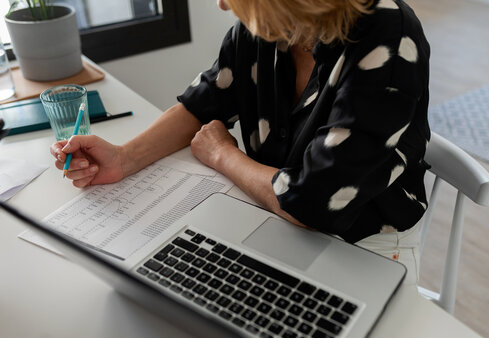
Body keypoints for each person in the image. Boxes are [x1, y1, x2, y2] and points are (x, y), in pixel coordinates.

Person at [50, 0, 430, 285]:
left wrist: (223, 154)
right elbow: (204, 101)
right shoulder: (270, 24)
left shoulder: (389, 38)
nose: (221, 3)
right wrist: (122, 157)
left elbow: (312, 206)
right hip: (270, 216)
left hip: (365, 246)